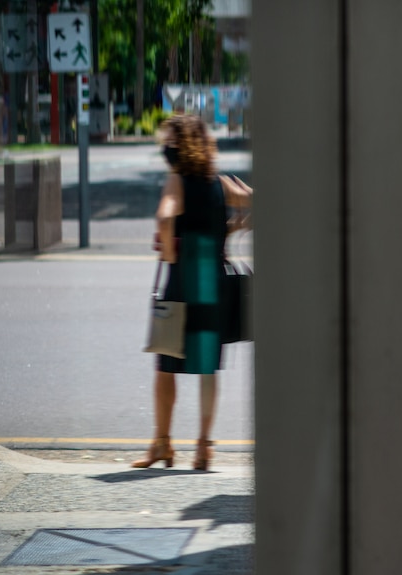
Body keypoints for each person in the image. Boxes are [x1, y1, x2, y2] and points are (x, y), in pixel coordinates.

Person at [133, 114, 252, 471]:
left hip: (182, 280)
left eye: (168, 140)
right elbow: (256, 203)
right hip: (213, 280)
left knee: (166, 363)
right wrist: (230, 229)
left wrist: (169, 250)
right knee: (206, 369)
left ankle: (163, 444)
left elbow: (165, 217)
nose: (164, 147)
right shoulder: (219, 184)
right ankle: (203, 449)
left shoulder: (177, 181)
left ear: (181, 145)